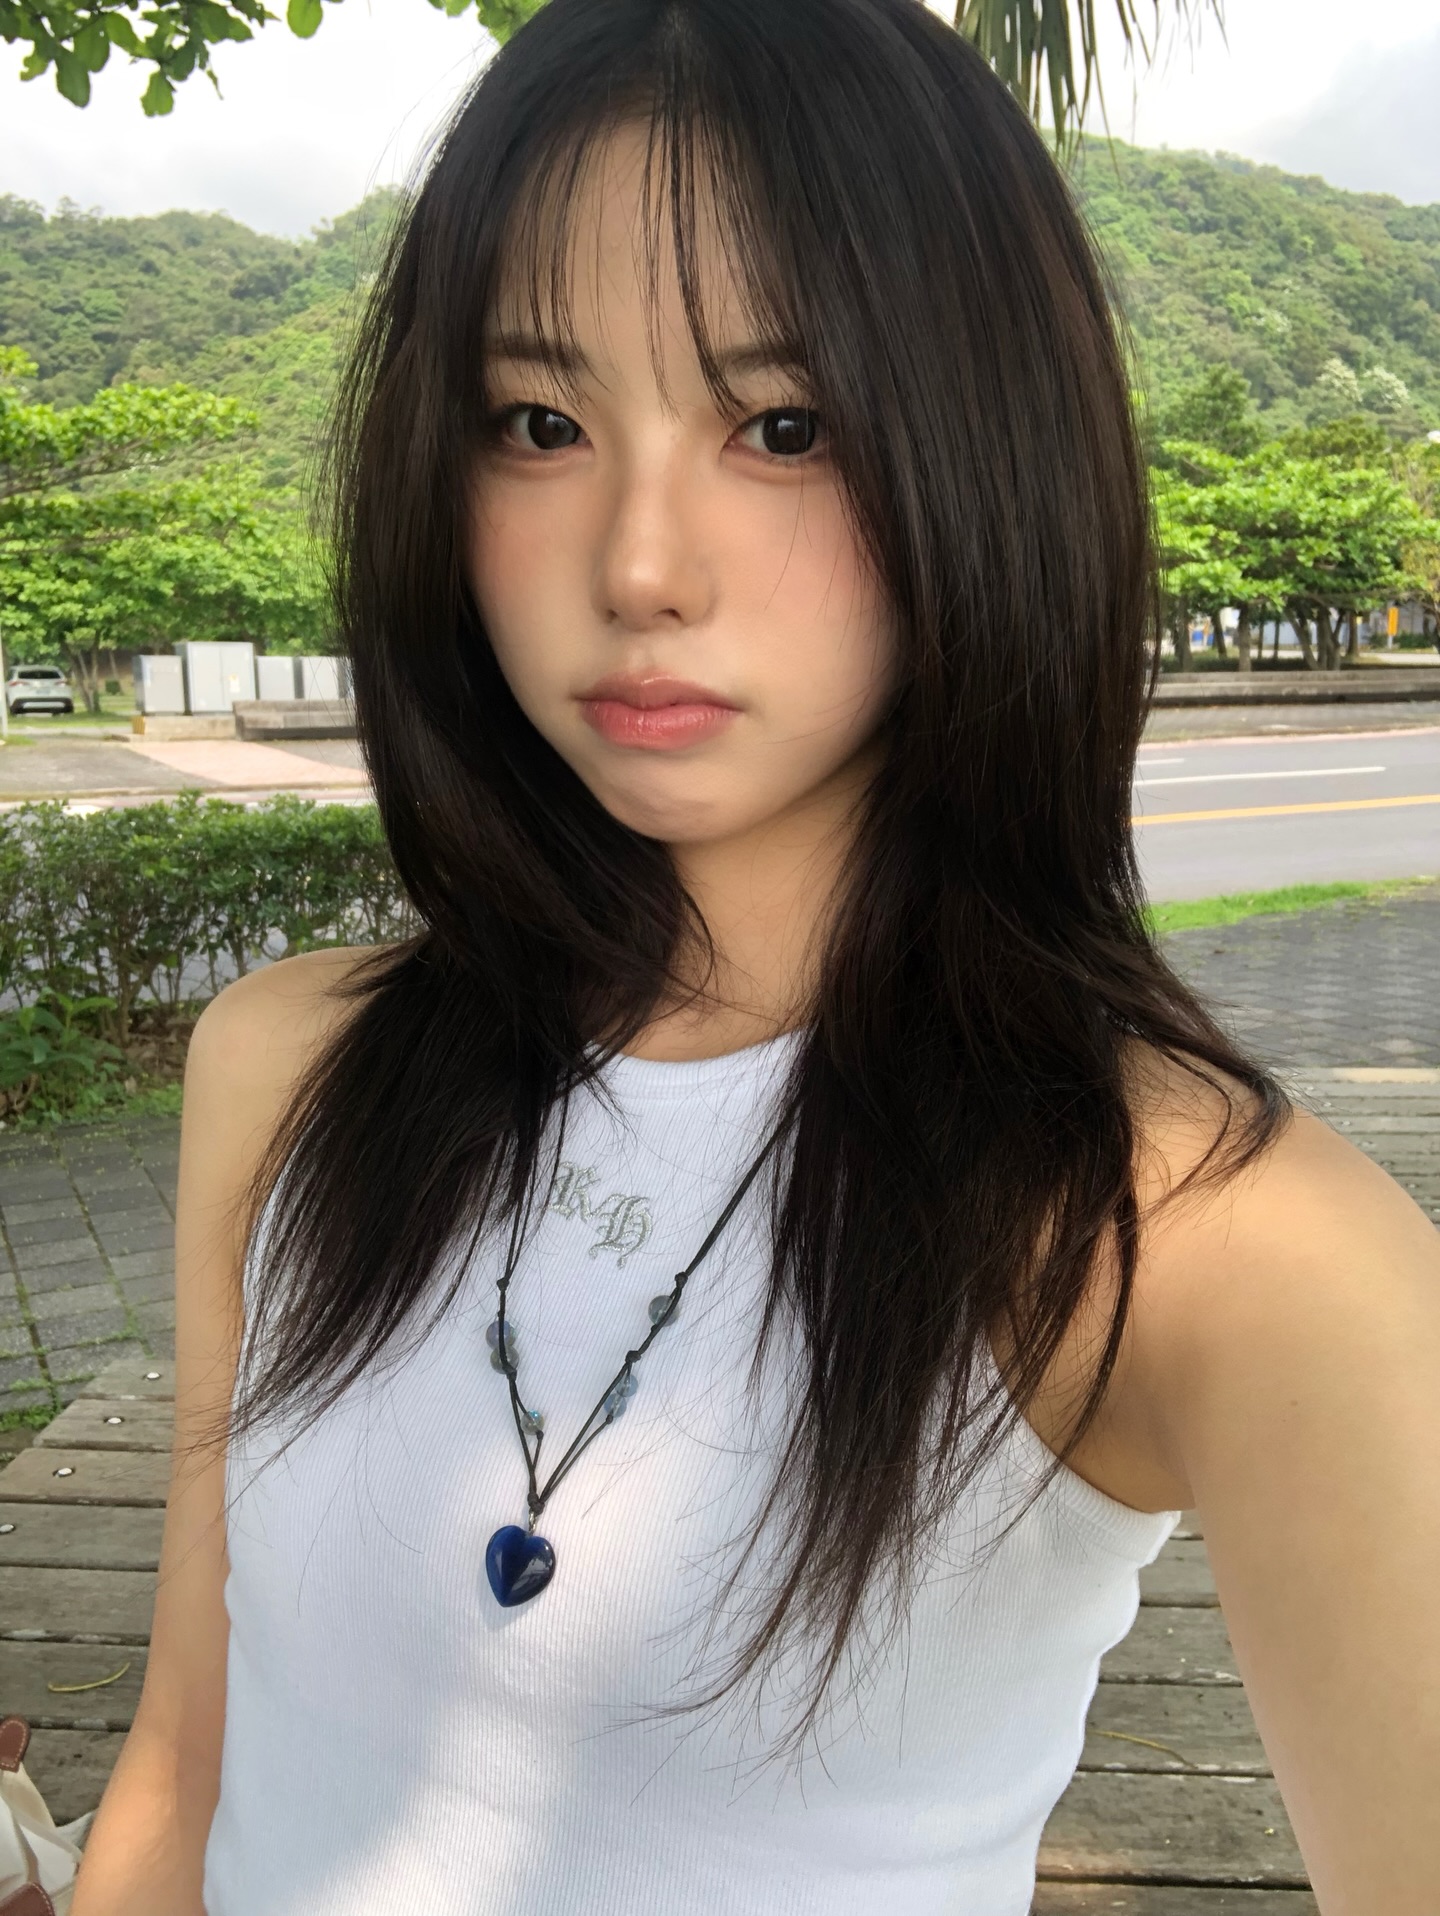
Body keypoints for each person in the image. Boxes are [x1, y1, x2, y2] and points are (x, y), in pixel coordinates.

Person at [72, 0, 1439, 1910]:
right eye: (540, 426)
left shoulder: (1204, 1234)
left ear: (991, 454)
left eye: (782, 427)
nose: (641, 565)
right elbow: (183, 1768)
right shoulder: (289, 1065)